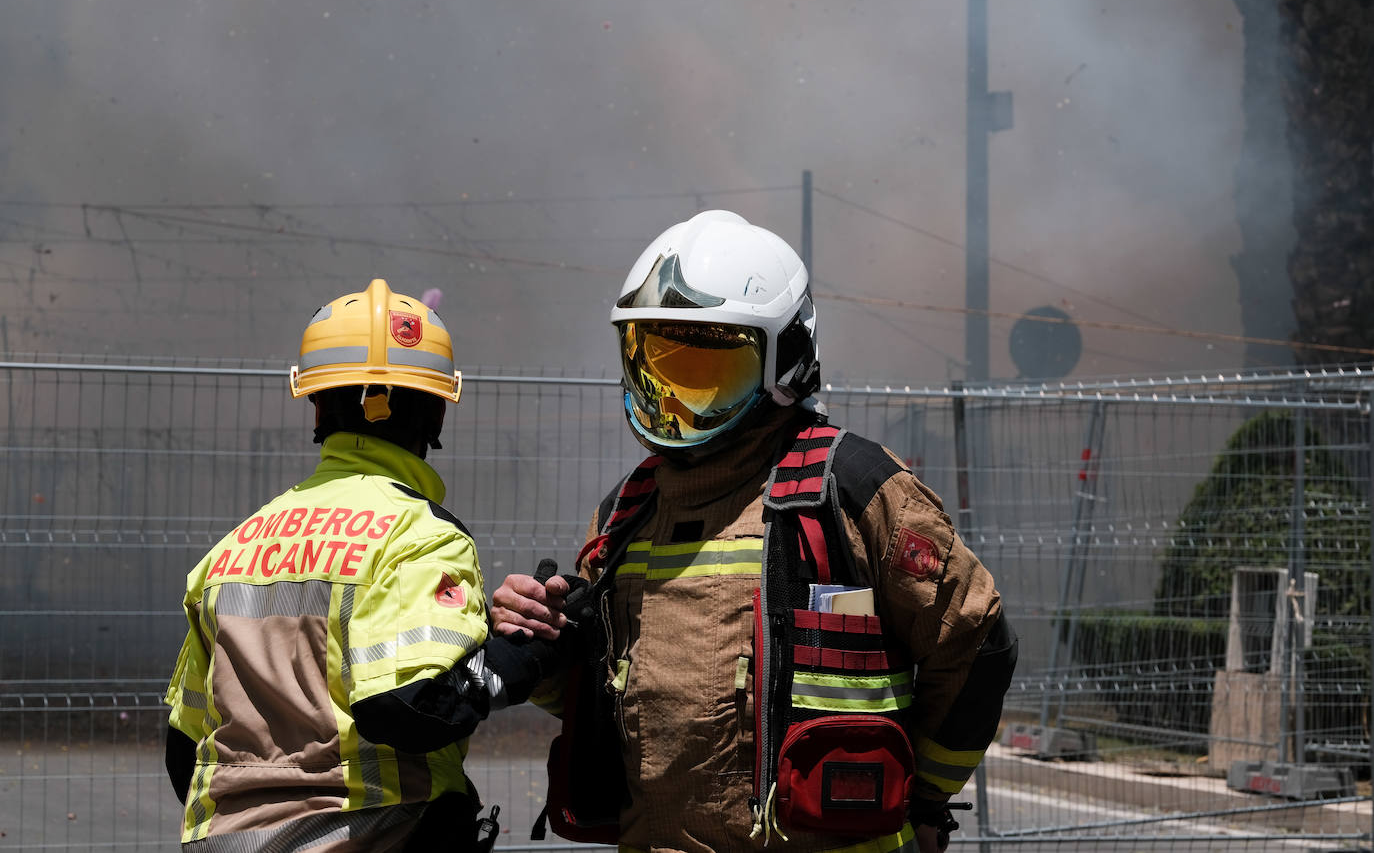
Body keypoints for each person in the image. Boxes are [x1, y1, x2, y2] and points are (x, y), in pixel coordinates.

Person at [492, 211, 1017, 853]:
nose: (674, 401)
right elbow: (614, 702)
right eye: (657, 364)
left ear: (785, 361)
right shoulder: (624, 515)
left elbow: (976, 645)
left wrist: (924, 799)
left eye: (706, 371)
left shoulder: (852, 490)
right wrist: (542, 641)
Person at [164, 279, 562, 852]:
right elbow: (410, 710)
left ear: (316, 403)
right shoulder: (421, 536)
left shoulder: (230, 551)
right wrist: (521, 653)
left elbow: (184, 748)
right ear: (437, 412)